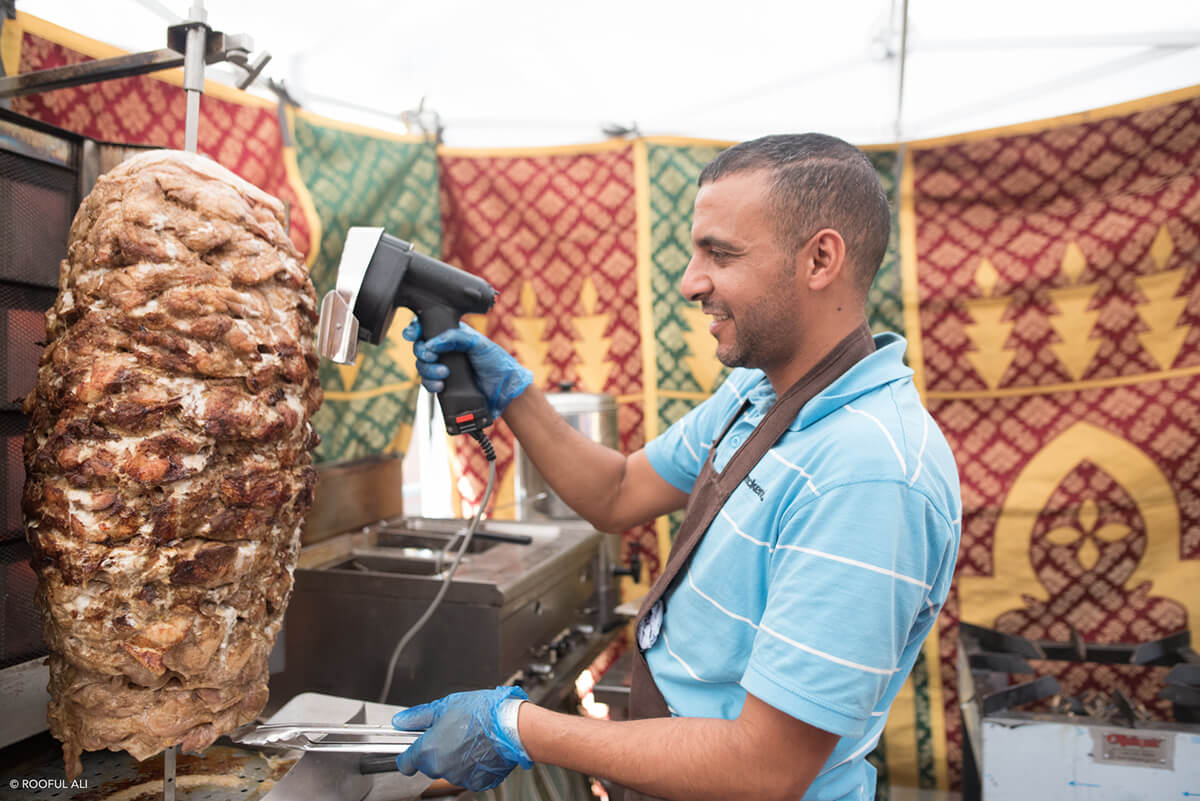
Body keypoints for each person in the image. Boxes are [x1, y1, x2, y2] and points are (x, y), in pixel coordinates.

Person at [395, 133, 962, 801]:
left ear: (820, 259)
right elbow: (618, 489)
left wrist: (518, 725)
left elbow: (765, 767)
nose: (692, 282)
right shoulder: (760, 394)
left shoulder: (869, 474)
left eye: (720, 254)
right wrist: (514, 395)